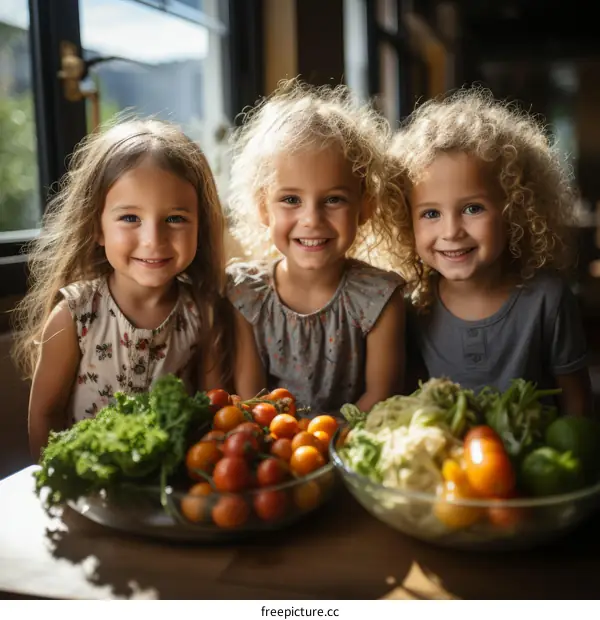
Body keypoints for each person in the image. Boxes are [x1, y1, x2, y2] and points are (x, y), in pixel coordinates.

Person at [13, 117, 230, 458]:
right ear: (97, 228)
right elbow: (44, 414)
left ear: (199, 228)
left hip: (169, 485)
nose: (153, 240)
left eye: (175, 218)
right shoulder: (74, 316)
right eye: (130, 218)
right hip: (92, 489)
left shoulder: (202, 313)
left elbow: (213, 410)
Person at [389, 87, 593, 415]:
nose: (451, 231)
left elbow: (577, 403)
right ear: (405, 221)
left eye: (472, 209)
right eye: (431, 214)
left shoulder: (547, 299)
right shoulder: (413, 306)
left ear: (514, 210)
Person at [226, 78, 410, 415]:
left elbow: (380, 397)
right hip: (275, 453)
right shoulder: (244, 295)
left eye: (334, 199)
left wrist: (325, 446)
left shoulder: (381, 298)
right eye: (291, 199)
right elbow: (253, 403)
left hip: (352, 447)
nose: (311, 219)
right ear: (263, 208)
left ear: (365, 207)